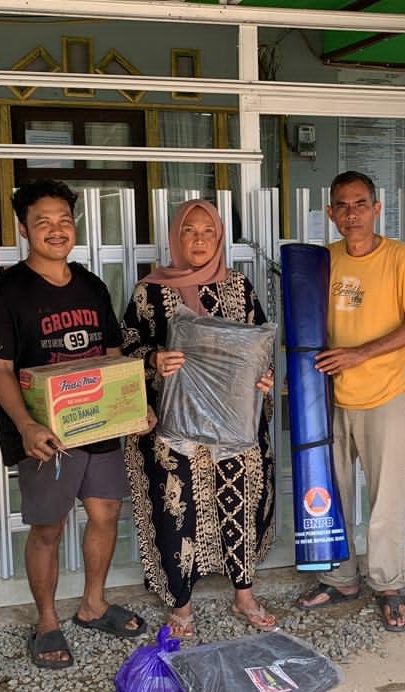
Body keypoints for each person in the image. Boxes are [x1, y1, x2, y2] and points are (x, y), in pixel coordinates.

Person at [0, 179, 145, 670]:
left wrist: (134, 406)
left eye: (64, 220)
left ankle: (93, 605)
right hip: (45, 434)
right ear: (23, 228)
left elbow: (112, 354)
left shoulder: (91, 285)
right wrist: (26, 426)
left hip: (99, 423)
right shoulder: (5, 293)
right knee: (48, 527)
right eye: (42, 221)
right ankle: (47, 621)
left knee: (105, 512)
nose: (56, 230)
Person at [121, 199, 277, 638]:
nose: (199, 239)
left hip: (234, 425)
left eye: (208, 231)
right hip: (177, 427)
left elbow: (260, 346)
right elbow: (126, 347)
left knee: (239, 500)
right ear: (176, 236)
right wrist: (154, 359)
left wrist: (264, 378)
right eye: (189, 230)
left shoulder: (239, 287)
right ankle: (181, 603)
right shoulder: (150, 292)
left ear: (220, 237)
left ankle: (244, 593)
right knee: (178, 509)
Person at [294, 171, 405, 632]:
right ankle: (341, 578)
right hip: (329, 397)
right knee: (331, 492)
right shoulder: (324, 259)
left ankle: (388, 584)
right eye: (342, 205)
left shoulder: (399, 257)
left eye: (360, 204)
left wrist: (361, 353)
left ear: (376, 209)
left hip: (384, 396)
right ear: (330, 213)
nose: (351, 213)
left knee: (385, 498)